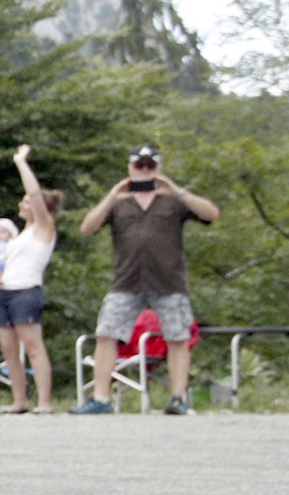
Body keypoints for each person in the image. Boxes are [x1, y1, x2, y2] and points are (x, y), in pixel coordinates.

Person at [70, 145, 220, 416]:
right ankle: (101, 399)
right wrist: (111, 196)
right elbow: (87, 227)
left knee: (177, 337)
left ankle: (178, 398)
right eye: (140, 165)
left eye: (150, 166)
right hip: (126, 280)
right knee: (106, 335)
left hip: (169, 281)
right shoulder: (119, 202)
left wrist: (177, 190)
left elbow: (211, 214)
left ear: (158, 168)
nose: (145, 170)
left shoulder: (173, 201)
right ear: (130, 167)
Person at [0, 144, 65, 413]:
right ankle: (19, 400)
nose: (22, 204)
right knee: (9, 349)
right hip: (6, 292)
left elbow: (35, 193)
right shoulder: (22, 235)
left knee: (33, 346)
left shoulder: (44, 228)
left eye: (26, 201)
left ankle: (44, 401)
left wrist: (21, 162)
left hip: (26, 292)